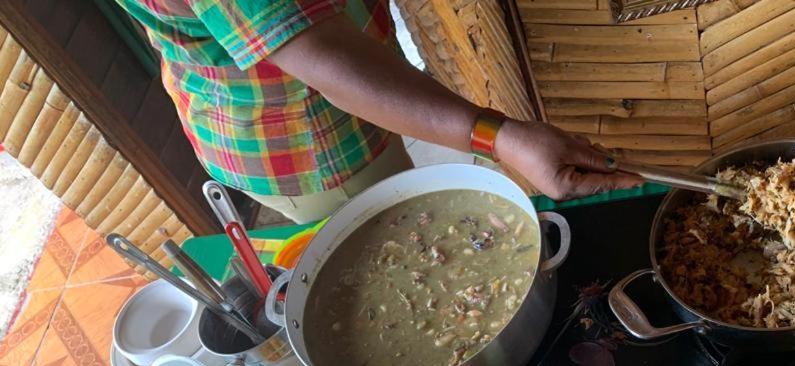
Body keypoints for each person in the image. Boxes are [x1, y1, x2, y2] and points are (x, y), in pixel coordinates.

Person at [115, 0, 640, 224]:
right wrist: (499, 138)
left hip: (283, 110)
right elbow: (322, 54)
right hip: (308, 144)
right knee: (402, 252)